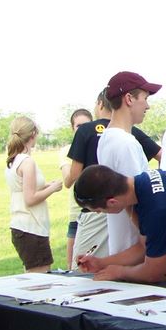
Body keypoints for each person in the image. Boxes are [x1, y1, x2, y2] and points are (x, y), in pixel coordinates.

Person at [63, 89, 160, 264]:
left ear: (100, 104)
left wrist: (66, 179)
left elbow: (75, 174)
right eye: (145, 99)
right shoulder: (131, 133)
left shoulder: (87, 131)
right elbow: (161, 155)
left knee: (81, 269)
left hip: (97, 210)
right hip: (126, 216)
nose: (147, 105)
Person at [96, 72, 161, 259]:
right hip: (135, 247)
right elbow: (134, 198)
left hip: (122, 242)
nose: (147, 106)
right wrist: (152, 239)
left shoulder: (106, 138)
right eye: (145, 98)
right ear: (129, 99)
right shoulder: (126, 143)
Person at [4, 117, 62, 273]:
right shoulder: (27, 162)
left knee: (32, 275)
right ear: (33, 134)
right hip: (31, 227)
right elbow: (30, 199)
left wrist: (45, 185)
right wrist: (53, 188)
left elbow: (23, 187)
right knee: (40, 278)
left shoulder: (14, 160)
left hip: (21, 226)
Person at [60, 108, 92, 268]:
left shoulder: (97, 144)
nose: (82, 129)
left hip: (94, 211)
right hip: (76, 212)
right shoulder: (67, 150)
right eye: (78, 126)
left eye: (86, 125)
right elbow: (68, 181)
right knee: (73, 264)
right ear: (72, 128)